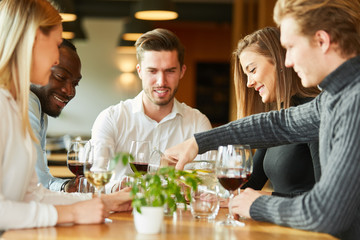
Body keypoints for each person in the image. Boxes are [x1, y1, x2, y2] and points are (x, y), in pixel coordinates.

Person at [163, 0, 360, 238]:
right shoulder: (332, 98)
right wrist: (197, 142)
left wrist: (256, 204)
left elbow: (327, 213)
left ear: (322, 40)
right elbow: (277, 124)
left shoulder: (353, 101)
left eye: (291, 47)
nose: (287, 62)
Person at [0, 0, 131, 230]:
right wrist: (73, 212)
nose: (56, 57)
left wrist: (106, 201)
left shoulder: (14, 104)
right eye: (56, 44)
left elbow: (34, 195)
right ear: (32, 41)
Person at [90, 28, 212, 191]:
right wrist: (121, 186)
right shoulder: (112, 118)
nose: (161, 81)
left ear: (182, 72)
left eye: (170, 71)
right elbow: (94, 180)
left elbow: (210, 182)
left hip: (178, 216)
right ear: (140, 71)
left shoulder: (198, 122)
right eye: (152, 71)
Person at [234, 27, 321, 196]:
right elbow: (249, 185)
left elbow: (326, 200)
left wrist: (263, 202)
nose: (248, 83)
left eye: (252, 70)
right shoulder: (277, 118)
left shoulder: (314, 113)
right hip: (278, 222)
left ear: (280, 62)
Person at [30, 39, 82, 192]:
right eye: (61, 77)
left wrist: (65, 187)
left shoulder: (39, 110)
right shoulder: (24, 104)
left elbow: (41, 182)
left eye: (75, 83)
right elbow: (34, 191)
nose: (70, 91)